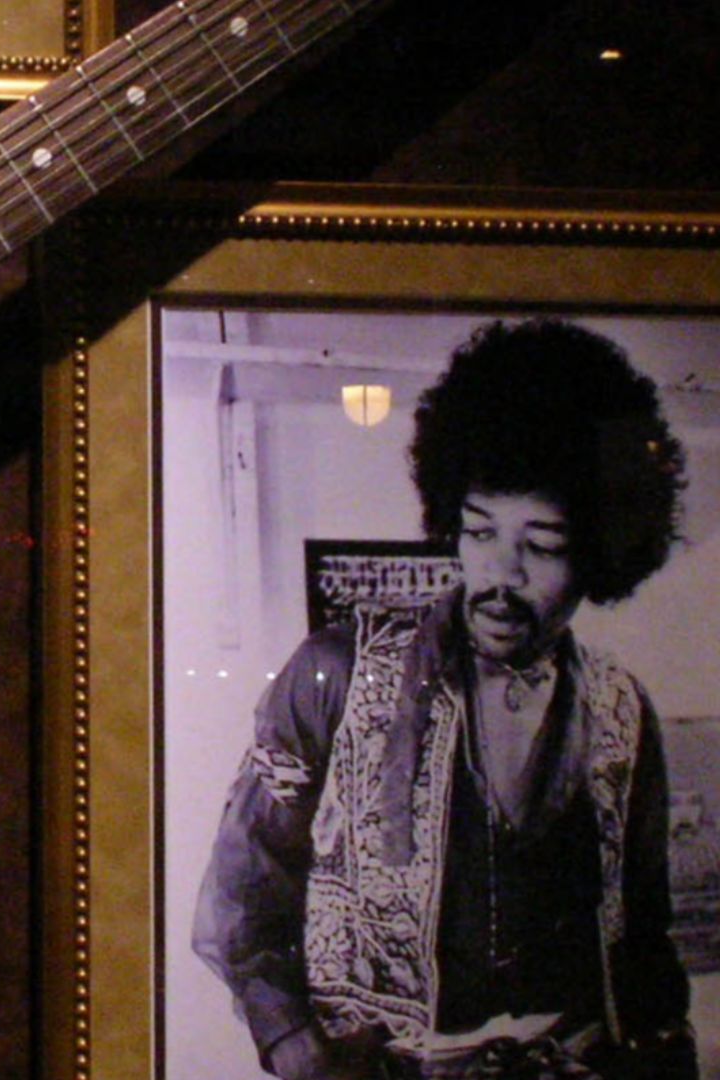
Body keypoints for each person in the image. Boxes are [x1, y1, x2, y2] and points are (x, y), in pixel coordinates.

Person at [193, 319, 698, 1079]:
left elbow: (644, 937)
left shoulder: (624, 710)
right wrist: (296, 1045)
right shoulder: (336, 673)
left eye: (543, 545)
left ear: (600, 551)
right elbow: (243, 895)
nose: (501, 574)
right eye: (479, 531)